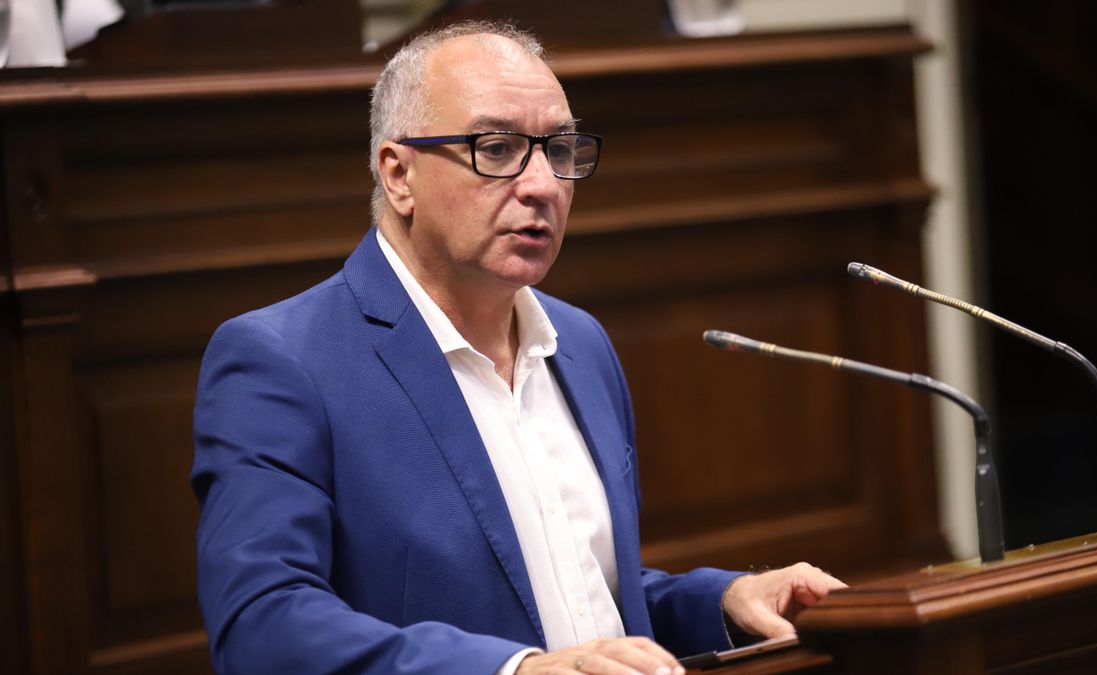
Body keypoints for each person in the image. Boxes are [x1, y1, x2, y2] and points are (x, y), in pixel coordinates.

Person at [191, 20, 846, 675]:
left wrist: (724, 602)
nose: (542, 185)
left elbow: (568, 591)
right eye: (498, 147)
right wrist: (513, 670)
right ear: (399, 175)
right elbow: (262, 626)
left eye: (559, 150)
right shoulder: (281, 361)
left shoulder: (579, 343)